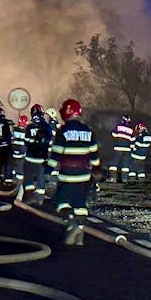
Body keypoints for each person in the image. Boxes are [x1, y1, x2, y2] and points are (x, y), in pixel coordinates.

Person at [48, 98, 100, 245]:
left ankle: (73, 223)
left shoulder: (62, 131)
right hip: (84, 176)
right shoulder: (88, 131)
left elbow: (56, 154)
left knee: (61, 202)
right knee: (80, 204)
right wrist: (96, 171)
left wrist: (48, 170)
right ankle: (79, 233)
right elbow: (94, 154)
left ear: (67, 111)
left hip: (67, 175)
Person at [23, 104, 54, 205]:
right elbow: (50, 141)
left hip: (30, 158)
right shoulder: (47, 126)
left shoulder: (30, 127)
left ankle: (29, 197)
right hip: (42, 158)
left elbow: (26, 142)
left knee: (29, 177)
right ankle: (40, 199)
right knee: (41, 177)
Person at [109, 114, 134, 182]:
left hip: (118, 148)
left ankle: (113, 178)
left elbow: (113, 134)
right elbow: (132, 139)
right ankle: (124, 179)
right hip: (127, 149)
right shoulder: (131, 129)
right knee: (125, 165)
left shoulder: (119, 126)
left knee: (113, 163)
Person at [11, 115, 29, 185]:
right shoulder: (27, 132)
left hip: (13, 152)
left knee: (12, 165)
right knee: (20, 168)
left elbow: (11, 138)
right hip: (22, 154)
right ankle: (19, 182)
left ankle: (12, 178)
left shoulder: (14, 129)